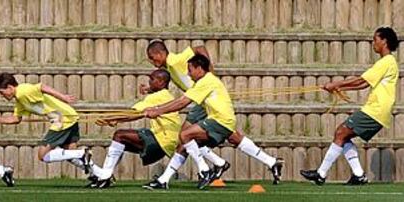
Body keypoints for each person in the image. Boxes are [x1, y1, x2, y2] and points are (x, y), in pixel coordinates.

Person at [142, 42, 283, 189]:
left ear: (159, 54)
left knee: (185, 137)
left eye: (152, 58)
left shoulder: (176, 61)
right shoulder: (170, 68)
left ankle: (206, 169)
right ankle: (270, 162)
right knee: (227, 137)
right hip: (202, 101)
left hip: (201, 99)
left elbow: (199, 47)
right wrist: (151, 89)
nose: (152, 62)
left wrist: (210, 74)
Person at [300, 27, 399, 185]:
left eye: (375, 39)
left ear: (384, 41)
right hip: (377, 111)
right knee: (343, 135)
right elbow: (363, 84)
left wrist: (335, 83)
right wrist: (339, 87)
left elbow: (361, 81)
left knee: (340, 132)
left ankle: (321, 174)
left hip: (376, 110)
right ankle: (358, 175)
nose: (373, 43)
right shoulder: (388, 62)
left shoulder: (386, 62)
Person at [0, 73, 93, 184]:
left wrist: (63, 97)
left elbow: (42, 87)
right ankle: (100, 175)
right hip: (68, 117)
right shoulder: (19, 100)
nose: (2, 96)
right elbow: (16, 119)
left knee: (42, 155)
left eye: (2, 92)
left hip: (62, 119)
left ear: (10, 87)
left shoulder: (23, 91)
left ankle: (82, 154)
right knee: (69, 153)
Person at [91, 69, 182, 189]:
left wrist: (109, 118)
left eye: (152, 79)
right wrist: (113, 119)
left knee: (119, 135)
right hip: (167, 141)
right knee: (120, 142)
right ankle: (105, 176)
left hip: (162, 140)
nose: (149, 82)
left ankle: (105, 177)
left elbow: (133, 113)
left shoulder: (157, 97)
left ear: (161, 82)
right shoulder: (165, 94)